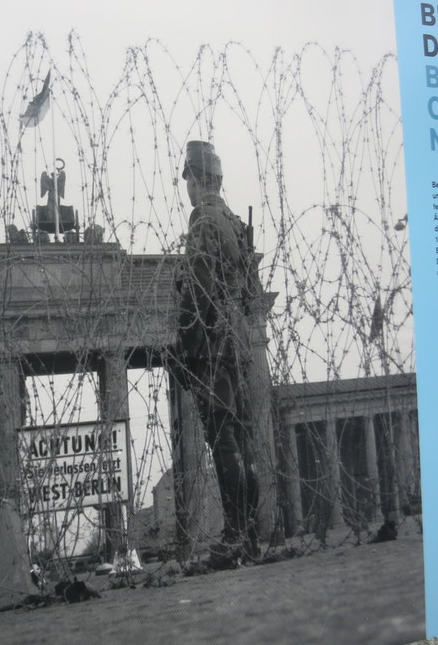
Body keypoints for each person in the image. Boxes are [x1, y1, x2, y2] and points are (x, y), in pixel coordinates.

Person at [172, 140, 262, 568]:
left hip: (213, 344)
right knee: (241, 440)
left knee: (223, 439)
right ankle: (250, 537)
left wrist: (185, 348)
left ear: (194, 178)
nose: (186, 188)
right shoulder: (232, 223)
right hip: (240, 342)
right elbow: (247, 293)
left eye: (187, 179)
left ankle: (233, 538)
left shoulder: (202, 220)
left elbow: (198, 289)